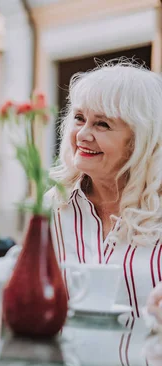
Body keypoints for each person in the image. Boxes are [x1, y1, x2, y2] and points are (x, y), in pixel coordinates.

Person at [50, 61, 162, 328]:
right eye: (79, 118)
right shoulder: (51, 209)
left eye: (102, 124)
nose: (83, 135)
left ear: (139, 140)